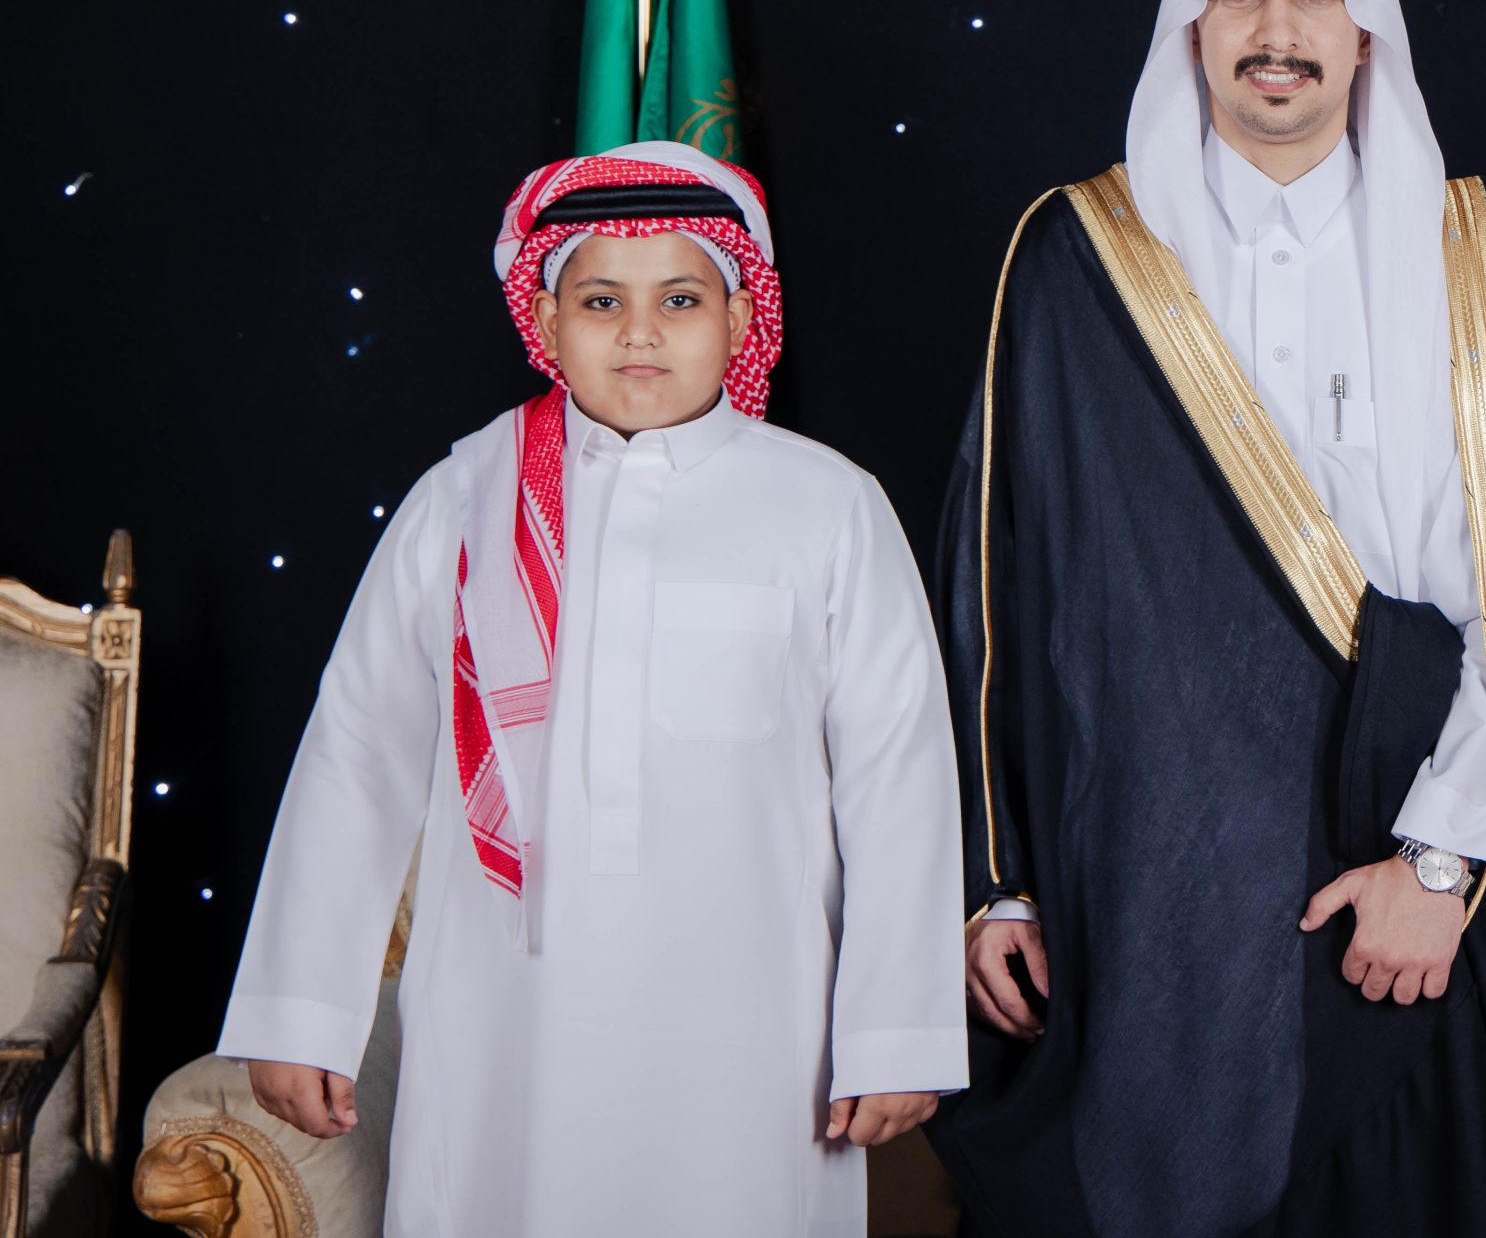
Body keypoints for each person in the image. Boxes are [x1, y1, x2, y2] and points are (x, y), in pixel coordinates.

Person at [926, 0, 1486, 1238]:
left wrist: (1440, 863)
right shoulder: (1079, 254)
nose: (1277, 28)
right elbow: (995, 581)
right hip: (1152, 892)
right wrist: (995, 876)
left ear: (1368, 31)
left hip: (1420, 887)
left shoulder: (1470, 252)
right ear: (1191, 27)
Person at [216, 141, 965, 1236]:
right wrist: (300, 1011)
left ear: (740, 318)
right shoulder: (463, 498)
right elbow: (358, 753)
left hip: (751, 1022)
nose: (640, 331)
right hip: (505, 1014)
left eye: (680, 299)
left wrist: (897, 1030)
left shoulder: (828, 505)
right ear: (546, 318)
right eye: (601, 299)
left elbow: (899, 778)